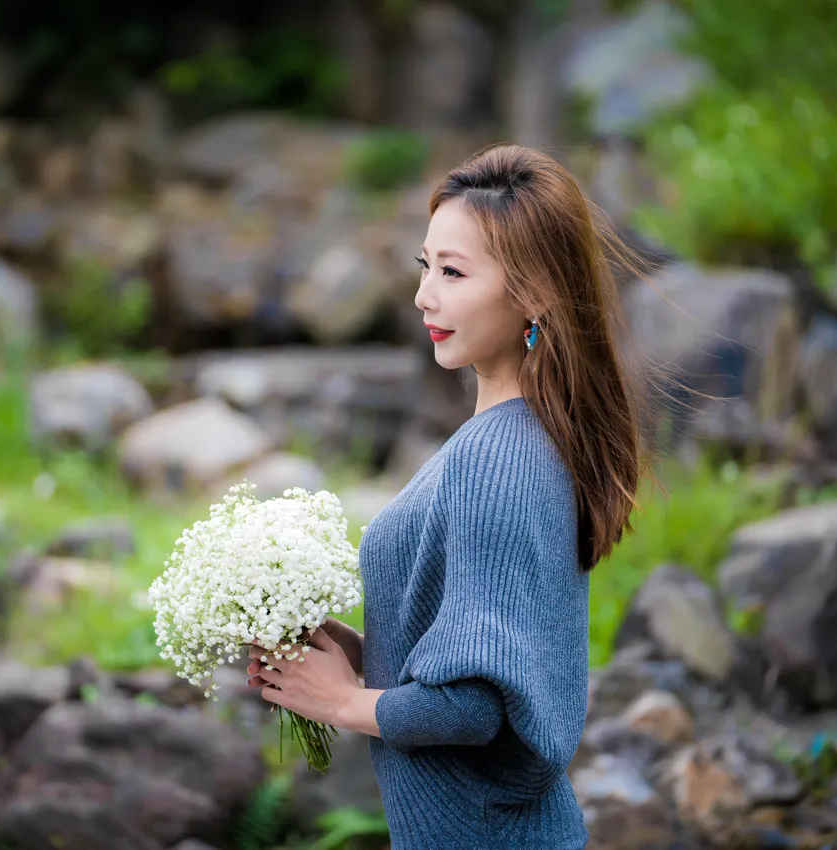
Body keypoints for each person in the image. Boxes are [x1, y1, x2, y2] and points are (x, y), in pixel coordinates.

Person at [246, 143, 646, 848]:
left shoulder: (501, 459)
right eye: (425, 266)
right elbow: (465, 656)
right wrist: (338, 648)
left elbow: (475, 707)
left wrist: (341, 701)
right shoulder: (509, 439)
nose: (424, 295)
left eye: (454, 272)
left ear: (535, 294)